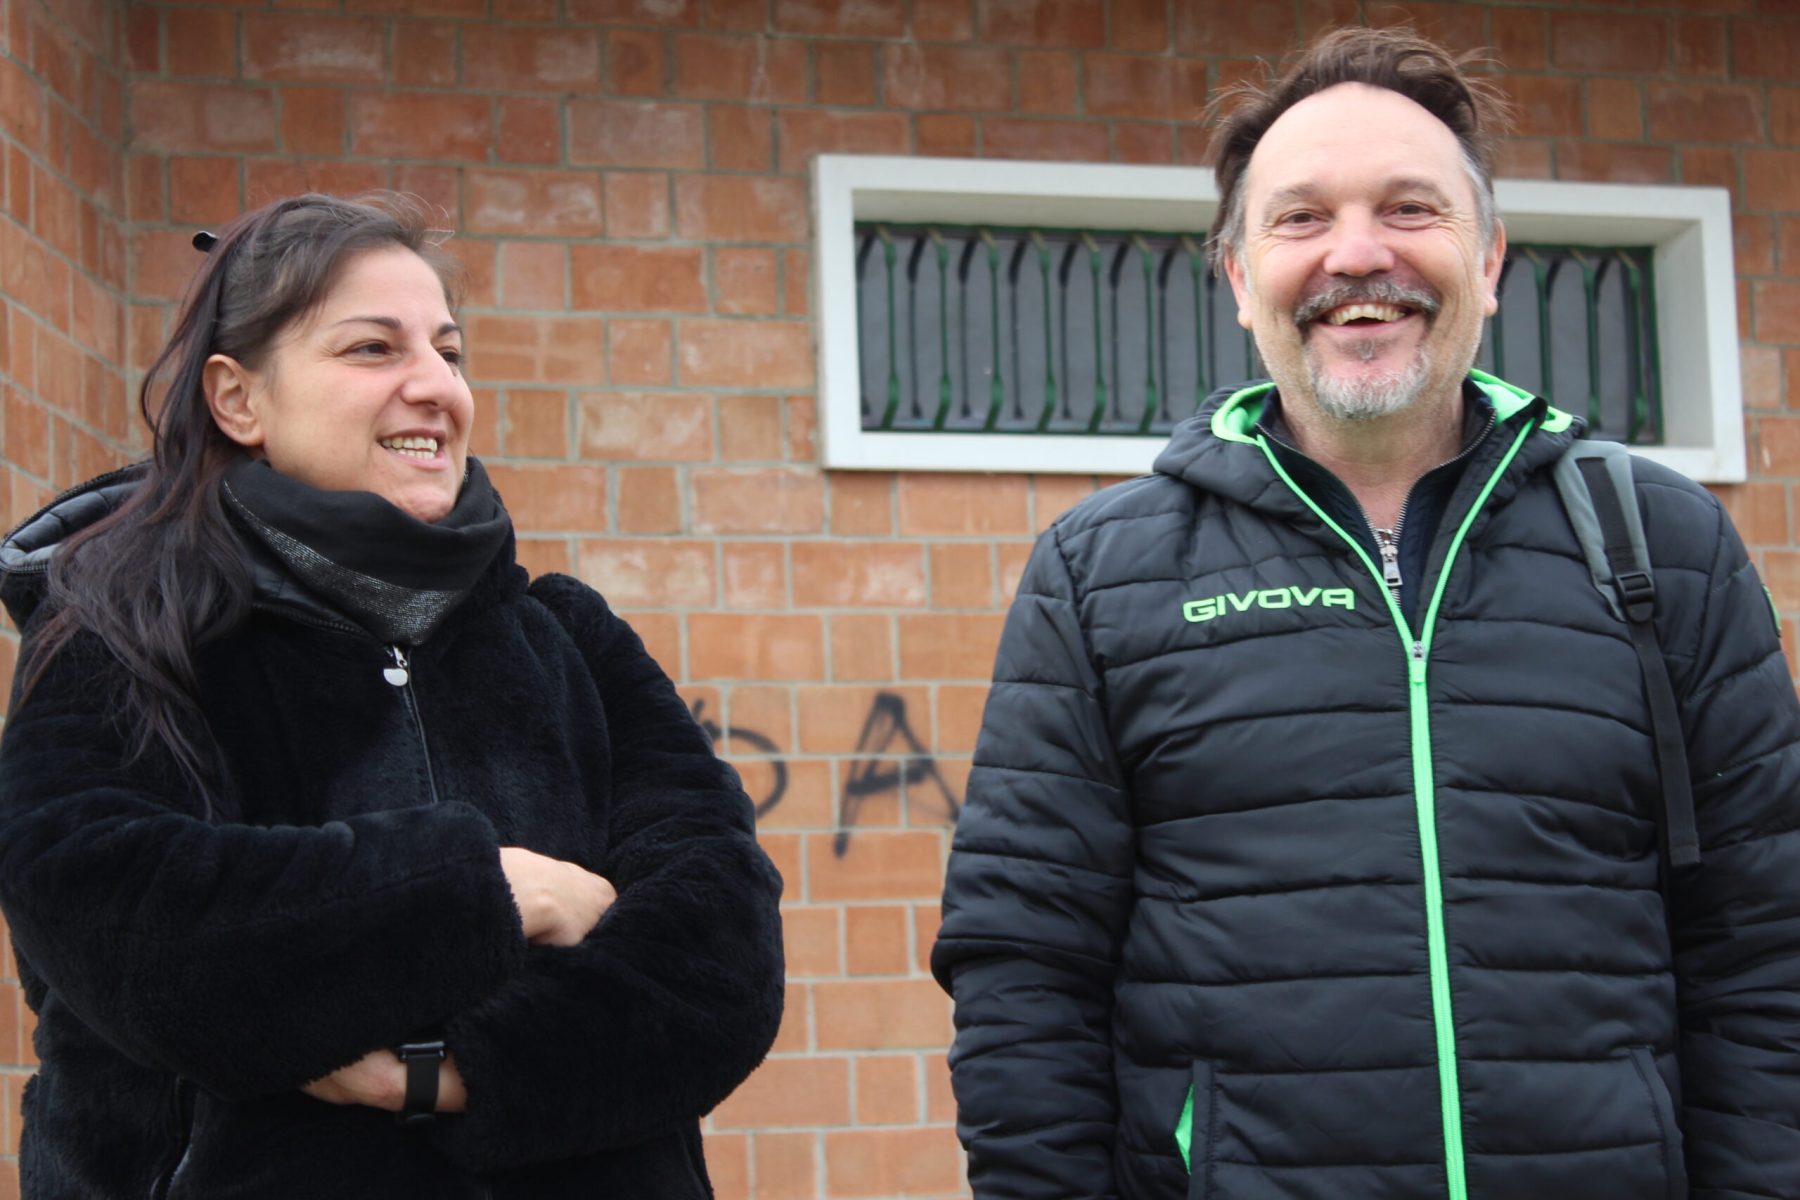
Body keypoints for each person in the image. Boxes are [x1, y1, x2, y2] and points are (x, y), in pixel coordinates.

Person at [932, 26, 1800, 1200]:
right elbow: (1026, 968)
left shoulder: (1663, 546)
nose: (1357, 254)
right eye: (1300, 218)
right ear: (1239, 281)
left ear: (1489, 258)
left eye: (1409, 209)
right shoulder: (1103, 573)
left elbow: (1764, 945)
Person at [0, 193, 784, 1199]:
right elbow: (126, 925)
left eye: (449, 352)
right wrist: (491, 892)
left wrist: (446, 1076)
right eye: (373, 348)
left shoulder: (572, 642)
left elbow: (722, 955)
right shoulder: (125, 631)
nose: (435, 386)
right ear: (239, 399)